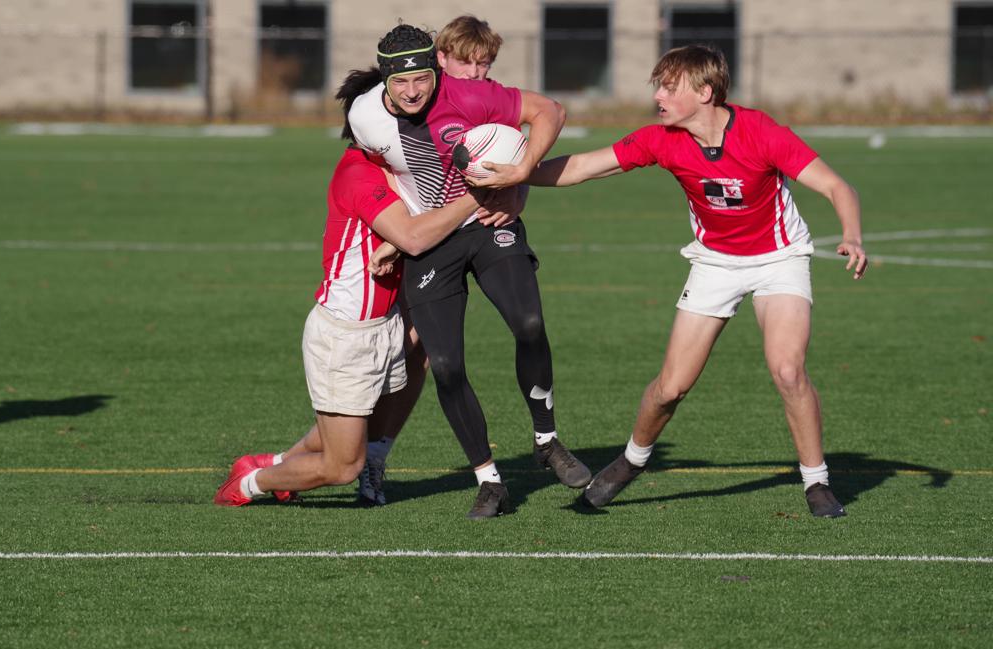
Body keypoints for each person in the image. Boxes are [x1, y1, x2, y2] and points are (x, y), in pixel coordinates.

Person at [486, 44, 867, 517]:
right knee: (670, 388)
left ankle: (816, 482)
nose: (658, 96)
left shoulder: (761, 132)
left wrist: (852, 235)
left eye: (669, 87)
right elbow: (584, 166)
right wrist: (519, 173)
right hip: (715, 262)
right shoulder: (661, 139)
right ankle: (632, 460)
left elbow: (837, 186)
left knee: (788, 371)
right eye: (658, 87)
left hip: (778, 259)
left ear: (705, 92)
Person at [213, 69, 512, 507]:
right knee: (342, 466)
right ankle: (248, 485)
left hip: (383, 324)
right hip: (345, 335)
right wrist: (479, 195)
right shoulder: (360, 172)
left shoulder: (397, 168)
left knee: (355, 421)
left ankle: (279, 464)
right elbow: (413, 237)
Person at [348, 23, 592, 519]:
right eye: (401, 82)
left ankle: (546, 440)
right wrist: (395, 234)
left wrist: (520, 177)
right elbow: (377, 173)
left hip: (487, 223)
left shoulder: (471, 95)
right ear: (387, 79)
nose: (412, 91)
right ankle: (489, 481)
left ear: (434, 71)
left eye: (421, 79)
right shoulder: (364, 116)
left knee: (529, 322)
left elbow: (550, 111)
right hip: (431, 240)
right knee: (445, 365)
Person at [351, 14, 525, 507]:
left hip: (459, 233)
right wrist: (396, 231)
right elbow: (383, 166)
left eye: (486, 65)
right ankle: (345, 450)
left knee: (422, 351)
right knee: (395, 348)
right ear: (441, 61)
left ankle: (372, 455)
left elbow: (514, 152)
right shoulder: (382, 112)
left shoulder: (480, 100)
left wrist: (517, 193)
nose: (477, 74)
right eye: (467, 64)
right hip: (416, 234)